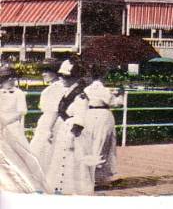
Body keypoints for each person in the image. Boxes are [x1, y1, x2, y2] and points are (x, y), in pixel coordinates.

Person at [46, 59, 103, 195]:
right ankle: (60, 187)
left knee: (73, 161)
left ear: (75, 78)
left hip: (74, 133)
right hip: (65, 128)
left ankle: (73, 190)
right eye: (61, 75)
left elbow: (80, 118)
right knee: (61, 158)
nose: (61, 78)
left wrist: (72, 135)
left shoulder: (80, 95)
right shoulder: (68, 93)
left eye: (66, 76)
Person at [0, 65, 50, 194]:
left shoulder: (19, 93)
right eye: (7, 78)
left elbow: (22, 111)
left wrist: (6, 121)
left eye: (13, 77)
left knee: (23, 155)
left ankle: (32, 184)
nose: (11, 80)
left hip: (13, 126)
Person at [83, 64, 123, 185]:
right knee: (104, 144)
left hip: (89, 114)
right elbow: (116, 103)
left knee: (91, 142)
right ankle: (102, 177)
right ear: (102, 75)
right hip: (103, 115)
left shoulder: (86, 89)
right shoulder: (104, 90)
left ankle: (90, 175)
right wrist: (120, 94)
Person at [30, 62, 65, 174]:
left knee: (44, 149)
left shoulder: (56, 88)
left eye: (47, 71)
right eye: (43, 71)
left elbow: (55, 109)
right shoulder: (55, 87)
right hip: (49, 119)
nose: (43, 74)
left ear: (55, 73)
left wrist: (48, 129)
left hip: (52, 121)